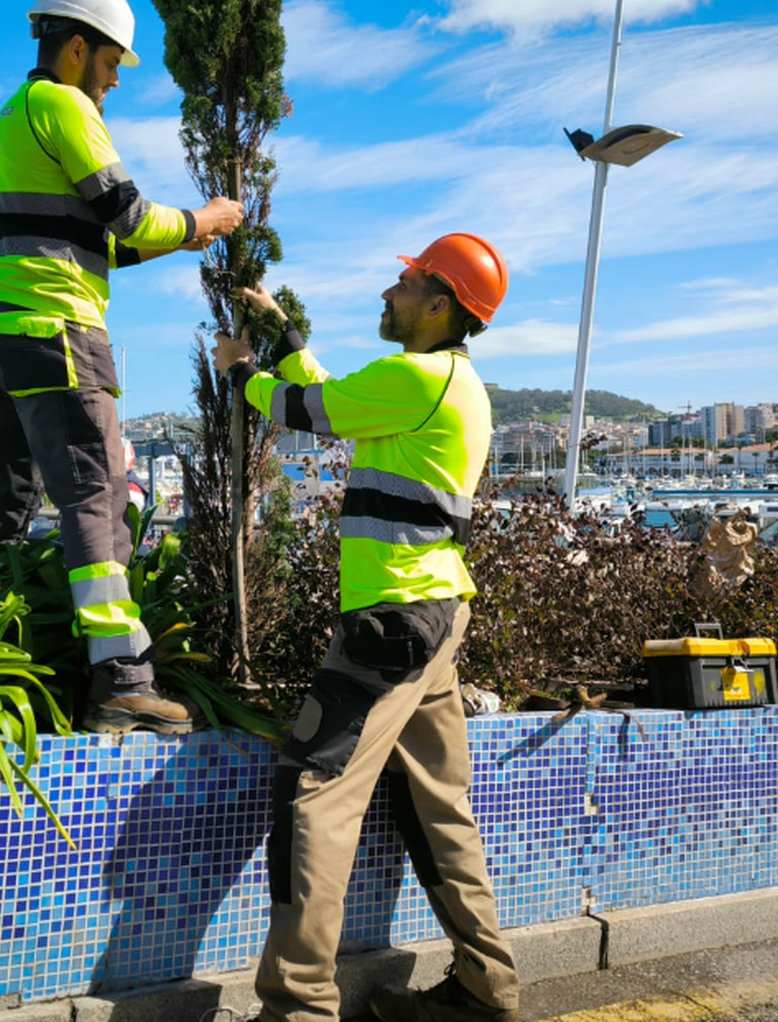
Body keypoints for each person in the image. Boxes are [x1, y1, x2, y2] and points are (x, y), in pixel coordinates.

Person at [210, 233, 520, 1022]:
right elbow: (338, 392)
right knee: (437, 806)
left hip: (391, 625)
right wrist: (287, 333)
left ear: (439, 303)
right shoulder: (453, 382)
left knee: (313, 788)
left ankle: (299, 1006)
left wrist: (242, 370)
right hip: (438, 618)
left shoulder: (412, 376)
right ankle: (488, 990)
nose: (390, 293)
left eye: (406, 282)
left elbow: (301, 409)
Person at [0, 0, 243, 735]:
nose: (115, 80)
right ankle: (121, 679)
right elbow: (131, 216)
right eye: (113, 62)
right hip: (55, 330)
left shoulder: (8, 117)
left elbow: (98, 243)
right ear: (76, 48)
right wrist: (203, 217)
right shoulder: (63, 103)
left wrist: (187, 234)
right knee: (97, 500)